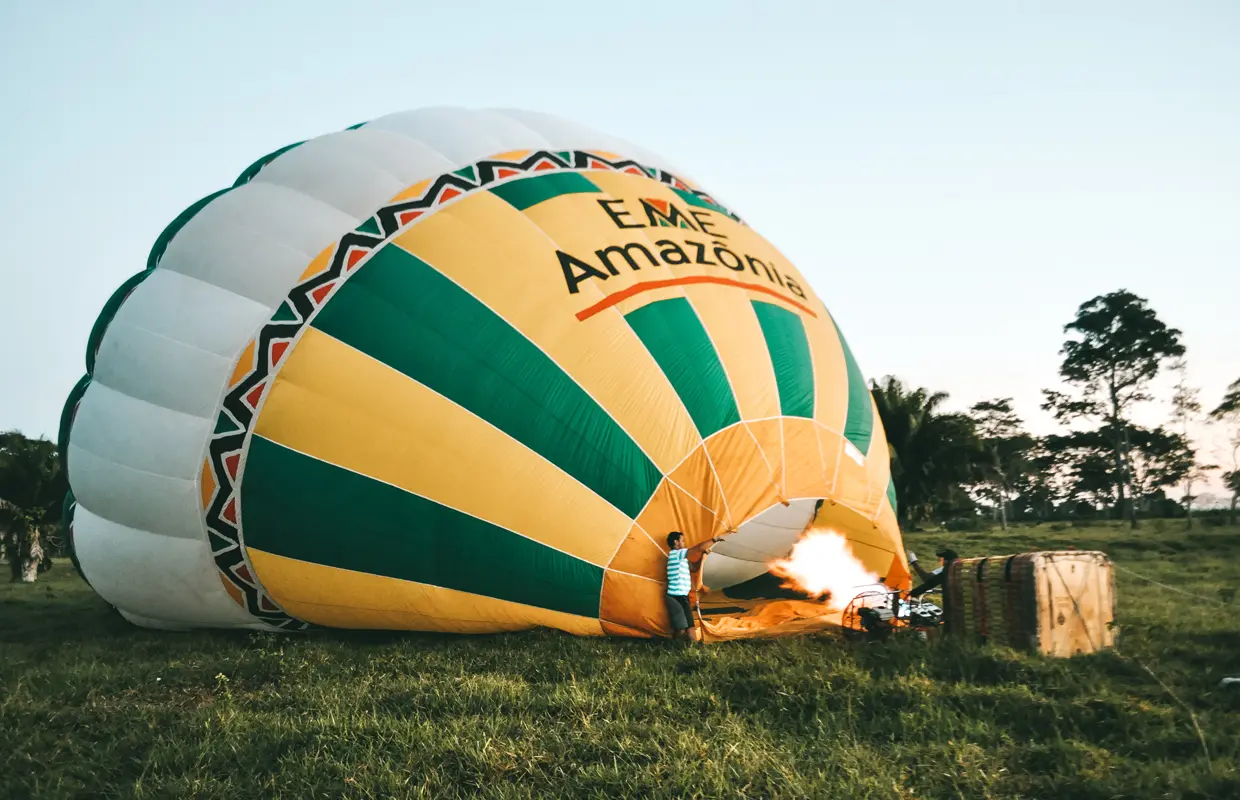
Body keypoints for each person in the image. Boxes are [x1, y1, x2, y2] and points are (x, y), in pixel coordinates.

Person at [666, 531, 724, 642]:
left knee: (691, 627)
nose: (684, 543)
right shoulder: (675, 554)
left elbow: (694, 568)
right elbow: (697, 548)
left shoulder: (682, 559)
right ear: (676, 542)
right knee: (681, 629)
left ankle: (692, 649)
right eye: (682, 541)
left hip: (683, 597)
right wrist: (714, 539)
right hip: (674, 597)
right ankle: (675, 646)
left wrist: (703, 557)